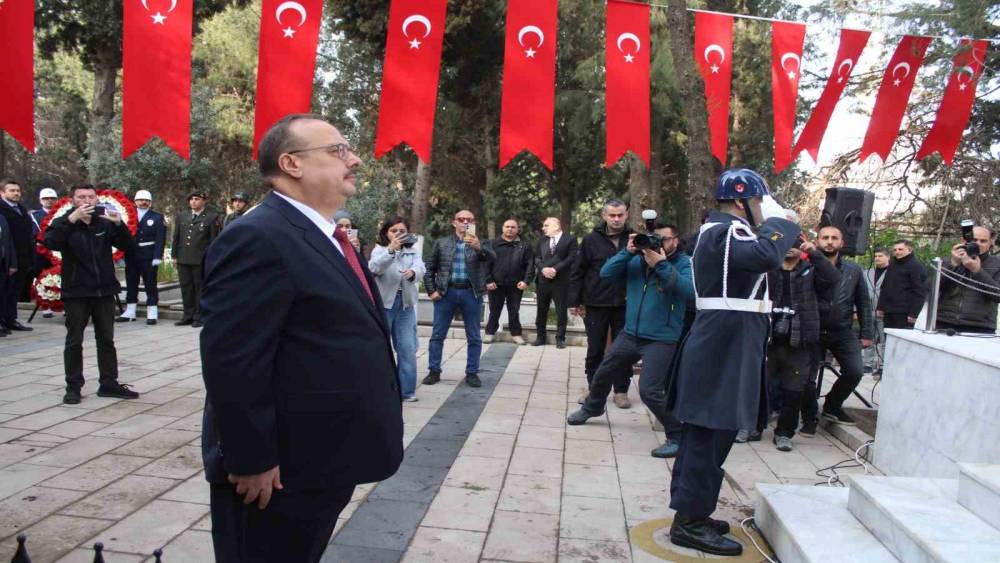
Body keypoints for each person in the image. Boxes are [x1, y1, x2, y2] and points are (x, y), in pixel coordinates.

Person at [199, 113, 403, 563]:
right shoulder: (257, 236)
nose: (355, 160)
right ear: (291, 163)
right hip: (276, 474)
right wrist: (250, 459)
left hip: (321, 458)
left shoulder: (324, 234)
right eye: (338, 150)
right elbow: (233, 362)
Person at [666, 169, 800, 556]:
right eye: (758, 200)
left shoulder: (729, 232)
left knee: (713, 433)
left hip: (728, 341)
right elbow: (766, 255)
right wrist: (779, 221)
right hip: (721, 344)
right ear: (742, 201)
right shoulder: (725, 233)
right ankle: (689, 522)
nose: (762, 208)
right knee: (708, 434)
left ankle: (693, 511)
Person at [567, 221, 693, 459]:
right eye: (654, 238)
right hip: (631, 333)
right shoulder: (636, 260)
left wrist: (662, 265)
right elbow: (605, 273)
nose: (658, 243)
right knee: (604, 371)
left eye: (664, 239)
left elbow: (690, 292)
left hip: (662, 338)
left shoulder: (682, 263)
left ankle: (677, 435)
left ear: (675, 241)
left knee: (649, 390)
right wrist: (627, 251)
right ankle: (593, 407)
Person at [42, 184, 140, 404]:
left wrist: (119, 224)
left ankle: (109, 383)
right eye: (81, 197)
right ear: (73, 200)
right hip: (76, 291)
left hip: (104, 290)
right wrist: (71, 220)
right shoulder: (64, 222)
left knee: (106, 339)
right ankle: (73, 386)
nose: (86, 200)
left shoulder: (104, 221)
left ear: (97, 199)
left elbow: (128, 246)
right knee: (74, 340)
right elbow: (51, 242)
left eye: (91, 196)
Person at [744, 239, 840, 451]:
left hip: (800, 341)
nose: (790, 248)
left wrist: (814, 253)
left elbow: (833, 278)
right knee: (759, 386)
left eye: (795, 244)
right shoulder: (768, 271)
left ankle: (784, 433)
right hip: (767, 338)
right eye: (786, 243)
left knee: (793, 391)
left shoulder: (811, 271)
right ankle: (752, 426)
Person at [797, 225, 874, 431]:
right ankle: (809, 418)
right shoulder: (806, 266)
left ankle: (832, 406)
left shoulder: (854, 270)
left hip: (842, 330)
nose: (829, 241)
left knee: (855, 371)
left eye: (834, 238)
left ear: (842, 243)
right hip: (812, 329)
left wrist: (867, 332)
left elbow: (863, 302)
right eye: (825, 238)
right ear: (817, 241)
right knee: (806, 377)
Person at [569, 199, 634, 407]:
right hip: (596, 302)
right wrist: (574, 301)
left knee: (623, 350)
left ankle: (621, 391)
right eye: (612, 215)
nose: (616, 219)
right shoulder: (591, 240)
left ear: (627, 215)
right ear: (604, 216)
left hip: (625, 303)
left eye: (620, 215)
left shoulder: (634, 239)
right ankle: (594, 389)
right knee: (595, 348)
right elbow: (577, 271)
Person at [422, 209, 496, 388]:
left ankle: (472, 373)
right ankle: (434, 371)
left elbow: (493, 258)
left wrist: (478, 247)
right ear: (454, 222)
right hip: (446, 293)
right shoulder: (442, 243)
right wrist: (431, 291)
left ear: (474, 222)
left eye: (469, 219)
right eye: (461, 219)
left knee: (474, 336)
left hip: (471, 293)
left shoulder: (482, 243)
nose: (465, 222)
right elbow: (429, 268)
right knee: (437, 334)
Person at [369, 216, 426, 401]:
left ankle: (406, 392)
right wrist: (391, 251)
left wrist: (413, 272)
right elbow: (375, 268)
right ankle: (380, 389)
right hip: (384, 305)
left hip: (405, 304)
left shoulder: (412, 251)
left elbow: (421, 268)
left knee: (407, 348)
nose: (398, 234)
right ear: (386, 233)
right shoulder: (379, 250)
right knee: (381, 347)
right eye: (394, 231)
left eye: (402, 231)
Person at [936, 225, 1000, 334]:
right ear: (963, 241)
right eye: (974, 240)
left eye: (983, 241)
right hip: (945, 322)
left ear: (991, 243)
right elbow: (932, 289)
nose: (978, 244)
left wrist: (977, 271)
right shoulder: (947, 261)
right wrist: (953, 265)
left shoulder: (997, 264)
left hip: (979, 327)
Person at [172, 191, 222, 328]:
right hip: (183, 257)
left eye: (197, 199)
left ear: (204, 201)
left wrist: (210, 259)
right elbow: (176, 237)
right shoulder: (182, 215)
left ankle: (199, 317)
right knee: (186, 288)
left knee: (199, 288)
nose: (193, 202)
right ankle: (187, 316)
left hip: (200, 259)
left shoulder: (211, 217)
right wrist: (174, 255)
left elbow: (213, 240)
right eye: (191, 199)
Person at [118, 190, 166, 325]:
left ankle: (152, 312)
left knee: (150, 284)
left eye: (146, 200)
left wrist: (157, 256)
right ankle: (130, 311)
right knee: (131, 282)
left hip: (148, 254)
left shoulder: (157, 217)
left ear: (150, 202)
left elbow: (160, 238)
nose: (143, 202)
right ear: (135, 201)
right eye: (140, 200)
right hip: (131, 253)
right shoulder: (127, 215)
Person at [484, 219, 534, 345]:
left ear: (517, 229)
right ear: (503, 228)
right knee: (494, 310)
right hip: (496, 284)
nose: (510, 229)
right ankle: (490, 333)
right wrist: (488, 280)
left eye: (513, 227)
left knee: (514, 311)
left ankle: (516, 334)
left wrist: (526, 281)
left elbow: (530, 265)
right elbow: (486, 264)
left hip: (516, 284)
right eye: (507, 226)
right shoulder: (492, 244)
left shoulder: (524, 245)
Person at [533, 217, 577, 348]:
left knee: (561, 311)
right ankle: (540, 337)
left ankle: (560, 338)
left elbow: (571, 258)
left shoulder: (570, 239)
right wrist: (543, 269)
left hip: (561, 281)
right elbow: (536, 258)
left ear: (556, 226)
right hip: (543, 281)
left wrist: (554, 269)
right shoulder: (542, 240)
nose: (543, 228)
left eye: (546, 225)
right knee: (541, 310)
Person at [0, 179, 34, 333]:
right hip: (7, 257)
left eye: (18, 190)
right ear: (2, 193)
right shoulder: (2, 209)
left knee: (15, 290)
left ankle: (10, 319)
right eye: (12, 190)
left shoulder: (21, 208)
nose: (16, 193)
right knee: (4, 290)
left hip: (23, 256)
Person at [877, 239, 926, 330]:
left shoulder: (916, 266)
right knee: (887, 336)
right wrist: (881, 307)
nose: (897, 252)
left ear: (909, 250)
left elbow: (920, 292)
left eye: (900, 249)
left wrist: (913, 313)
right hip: (889, 311)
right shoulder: (892, 264)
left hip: (904, 313)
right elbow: (885, 286)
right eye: (895, 250)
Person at [30, 188, 59, 318]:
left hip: (58, 251)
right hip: (41, 252)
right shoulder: (34, 216)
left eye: (52, 198)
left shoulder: (61, 213)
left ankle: (63, 304)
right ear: (40, 200)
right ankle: (45, 306)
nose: (49, 201)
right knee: (42, 278)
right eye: (46, 199)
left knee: (61, 277)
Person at [863, 248, 890, 375]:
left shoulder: (892, 273)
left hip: (883, 311)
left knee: (883, 340)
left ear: (888, 257)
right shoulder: (867, 273)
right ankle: (867, 364)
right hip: (868, 310)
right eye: (876, 256)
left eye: (880, 256)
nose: (877, 258)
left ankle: (882, 365)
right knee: (869, 337)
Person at [0, 214, 15, 337]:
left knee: (2, 294)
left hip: (3, 263)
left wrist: (12, 263)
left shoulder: (2, 218)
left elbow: (9, 241)